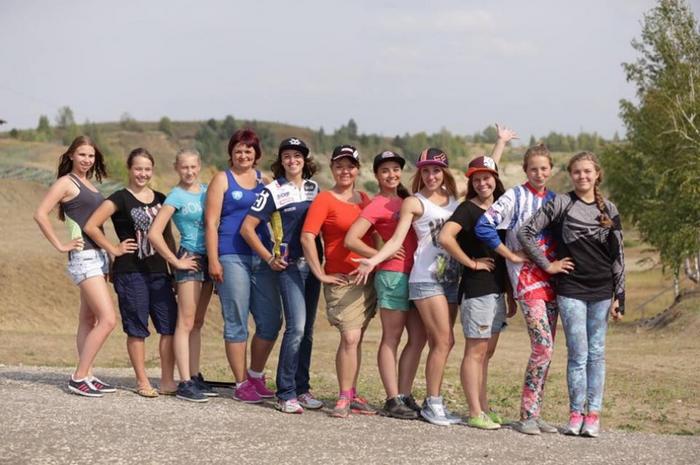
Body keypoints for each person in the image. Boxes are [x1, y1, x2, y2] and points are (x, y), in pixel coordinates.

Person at [354, 126, 516, 426]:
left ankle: (410, 397)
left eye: (437, 170)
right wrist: (373, 260)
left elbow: (485, 176)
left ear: (444, 172)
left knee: (433, 341)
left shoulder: (455, 198)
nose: (431, 176)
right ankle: (433, 403)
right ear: (420, 173)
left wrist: (500, 143)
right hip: (425, 279)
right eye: (426, 171)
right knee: (444, 341)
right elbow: (396, 239)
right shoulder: (414, 202)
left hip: (451, 280)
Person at [518, 151, 625, 438]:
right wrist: (547, 265)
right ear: (571, 175)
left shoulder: (609, 209)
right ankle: (576, 414)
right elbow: (526, 232)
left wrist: (620, 295)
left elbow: (618, 255)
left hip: (602, 290)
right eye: (577, 172)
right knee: (578, 354)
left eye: (588, 171)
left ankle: (593, 416)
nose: (582, 176)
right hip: (571, 290)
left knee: (597, 353)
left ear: (597, 174)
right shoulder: (561, 203)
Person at [474, 143, 559, 435]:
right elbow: (484, 226)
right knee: (543, 346)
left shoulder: (555, 199)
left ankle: (535, 412)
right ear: (525, 170)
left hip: (553, 282)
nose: (539, 173)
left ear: (551, 170)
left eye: (544, 168)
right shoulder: (515, 196)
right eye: (533, 169)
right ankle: (527, 416)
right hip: (526, 280)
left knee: (547, 350)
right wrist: (509, 255)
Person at [84, 148, 178, 398]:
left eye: (147, 169)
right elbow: (91, 225)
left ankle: (167, 380)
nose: (142, 174)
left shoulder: (162, 198)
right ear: (129, 169)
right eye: (138, 169)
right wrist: (113, 249)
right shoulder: (119, 198)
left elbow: (167, 237)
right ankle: (142, 381)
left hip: (160, 272)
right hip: (131, 272)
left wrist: (174, 270)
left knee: (169, 326)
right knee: (137, 328)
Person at [241, 137, 325, 414]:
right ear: (281, 160)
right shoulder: (272, 190)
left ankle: (302, 388)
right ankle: (285, 392)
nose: (292, 160)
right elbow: (247, 228)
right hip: (289, 267)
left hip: (313, 265)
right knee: (296, 328)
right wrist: (268, 257)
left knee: (307, 332)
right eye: (287, 156)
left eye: (297, 156)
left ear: (305, 160)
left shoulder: (314, 189)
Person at [344, 150, 425, 419]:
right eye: (385, 170)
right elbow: (351, 239)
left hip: (416, 275)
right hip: (392, 276)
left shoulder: (408, 199)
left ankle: (405, 394)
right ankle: (392, 398)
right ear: (377, 175)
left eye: (395, 169)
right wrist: (378, 255)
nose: (391, 174)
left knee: (419, 337)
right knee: (392, 337)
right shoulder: (377, 204)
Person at [33, 135, 117, 397]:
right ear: (71, 155)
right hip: (84, 258)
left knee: (88, 319)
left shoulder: (88, 183)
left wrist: (108, 253)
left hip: (98, 257)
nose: (87, 160)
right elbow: (40, 214)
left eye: (91, 156)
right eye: (82, 154)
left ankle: (87, 374)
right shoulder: (65, 183)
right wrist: (60, 245)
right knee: (108, 320)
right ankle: (78, 376)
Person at [438, 156, 516, 430]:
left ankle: (483, 407)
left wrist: (510, 293)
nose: (483, 183)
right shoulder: (467, 209)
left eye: (487, 177)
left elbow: (504, 254)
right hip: (477, 289)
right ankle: (474, 411)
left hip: (496, 289)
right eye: (477, 179)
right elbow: (445, 237)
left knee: (487, 352)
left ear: (495, 178)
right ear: (471, 182)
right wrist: (471, 263)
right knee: (476, 351)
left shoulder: (501, 208)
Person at [205, 128, 282, 403]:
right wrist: (213, 260)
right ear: (231, 153)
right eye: (238, 150)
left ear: (256, 153)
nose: (243, 155)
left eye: (248, 150)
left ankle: (255, 375)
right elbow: (211, 223)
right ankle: (241, 384)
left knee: (271, 321)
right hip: (231, 255)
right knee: (236, 322)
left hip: (262, 256)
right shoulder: (221, 179)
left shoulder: (266, 181)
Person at [300, 144, 378, 419]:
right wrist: (319, 273)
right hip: (341, 280)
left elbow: (374, 234)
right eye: (339, 166)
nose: (345, 171)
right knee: (349, 337)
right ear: (332, 168)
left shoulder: (365, 199)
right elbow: (307, 236)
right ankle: (344, 396)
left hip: (366, 278)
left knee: (357, 338)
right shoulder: (324, 199)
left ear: (358, 169)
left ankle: (352, 393)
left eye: (350, 166)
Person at [147, 148, 216, 403]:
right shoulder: (175, 196)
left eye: (193, 167)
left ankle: (195, 376)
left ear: (200, 166)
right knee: (185, 323)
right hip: (190, 257)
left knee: (197, 322)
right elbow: (154, 233)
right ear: (177, 168)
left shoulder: (208, 190)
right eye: (184, 167)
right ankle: (185, 381)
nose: (189, 171)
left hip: (210, 257)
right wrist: (175, 261)